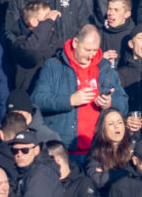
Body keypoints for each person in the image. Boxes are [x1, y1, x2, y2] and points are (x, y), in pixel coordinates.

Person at [31, 24, 128, 154]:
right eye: (87, 50)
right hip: (63, 147)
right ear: (76, 43)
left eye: (94, 50)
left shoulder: (106, 69)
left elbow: (123, 103)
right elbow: (37, 99)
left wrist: (109, 103)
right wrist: (70, 100)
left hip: (99, 148)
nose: (91, 55)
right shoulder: (54, 66)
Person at [83, 108, 132, 190]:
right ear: (103, 129)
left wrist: (107, 173)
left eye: (120, 122)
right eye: (111, 124)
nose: (117, 126)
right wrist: (128, 173)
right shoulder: (95, 152)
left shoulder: (133, 148)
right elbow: (96, 179)